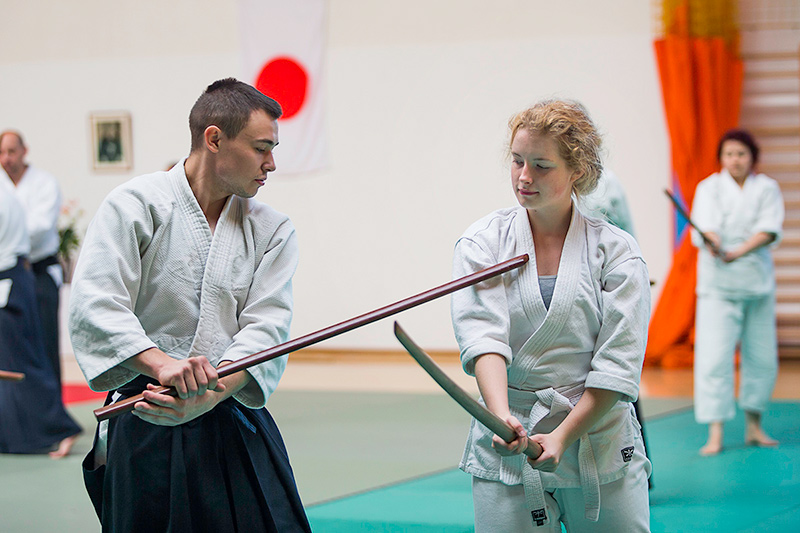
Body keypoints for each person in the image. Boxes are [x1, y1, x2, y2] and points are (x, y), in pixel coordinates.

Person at [69, 78, 312, 532]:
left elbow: (267, 327)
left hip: (230, 407)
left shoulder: (273, 229)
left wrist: (209, 395)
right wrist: (162, 365)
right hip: (147, 410)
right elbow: (96, 304)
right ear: (214, 139)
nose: (271, 163)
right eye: (261, 148)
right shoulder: (135, 205)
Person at [451, 100, 651, 531]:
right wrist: (501, 416)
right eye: (518, 161)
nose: (525, 176)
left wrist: (563, 436)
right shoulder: (482, 244)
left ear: (576, 170)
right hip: (511, 435)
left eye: (542, 166)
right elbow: (484, 338)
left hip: (597, 436)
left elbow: (618, 365)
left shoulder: (616, 253)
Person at [691, 129, 784, 456]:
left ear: (752, 157)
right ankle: (715, 432)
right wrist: (714, 242)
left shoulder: (767, 188)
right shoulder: (709, 188)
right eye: (729, 154)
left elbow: (768, 230)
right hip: (718, 287)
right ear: (721, 158)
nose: (735, 160)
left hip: (757, 283)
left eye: (741, 154)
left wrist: (738, 251)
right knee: (714, 358)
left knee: (762, 357)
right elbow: (707, 227)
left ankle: (754, 426)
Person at [0, 180, 81, 458]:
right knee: (11, 361)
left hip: (9, 281)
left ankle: (61, 428)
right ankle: (12, 433)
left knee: (21, 361)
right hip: (14, 278)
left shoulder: (6, 197)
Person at [0, 130, 64, 387]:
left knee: (45, 340)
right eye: (1, 153)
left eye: (11, 151)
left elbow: (41, 226)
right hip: (8, 272)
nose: (6, 158)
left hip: (39, 270)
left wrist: (10, 236)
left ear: (24, 151)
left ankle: (52, 405)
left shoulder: (44, 182)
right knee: (12, 344)